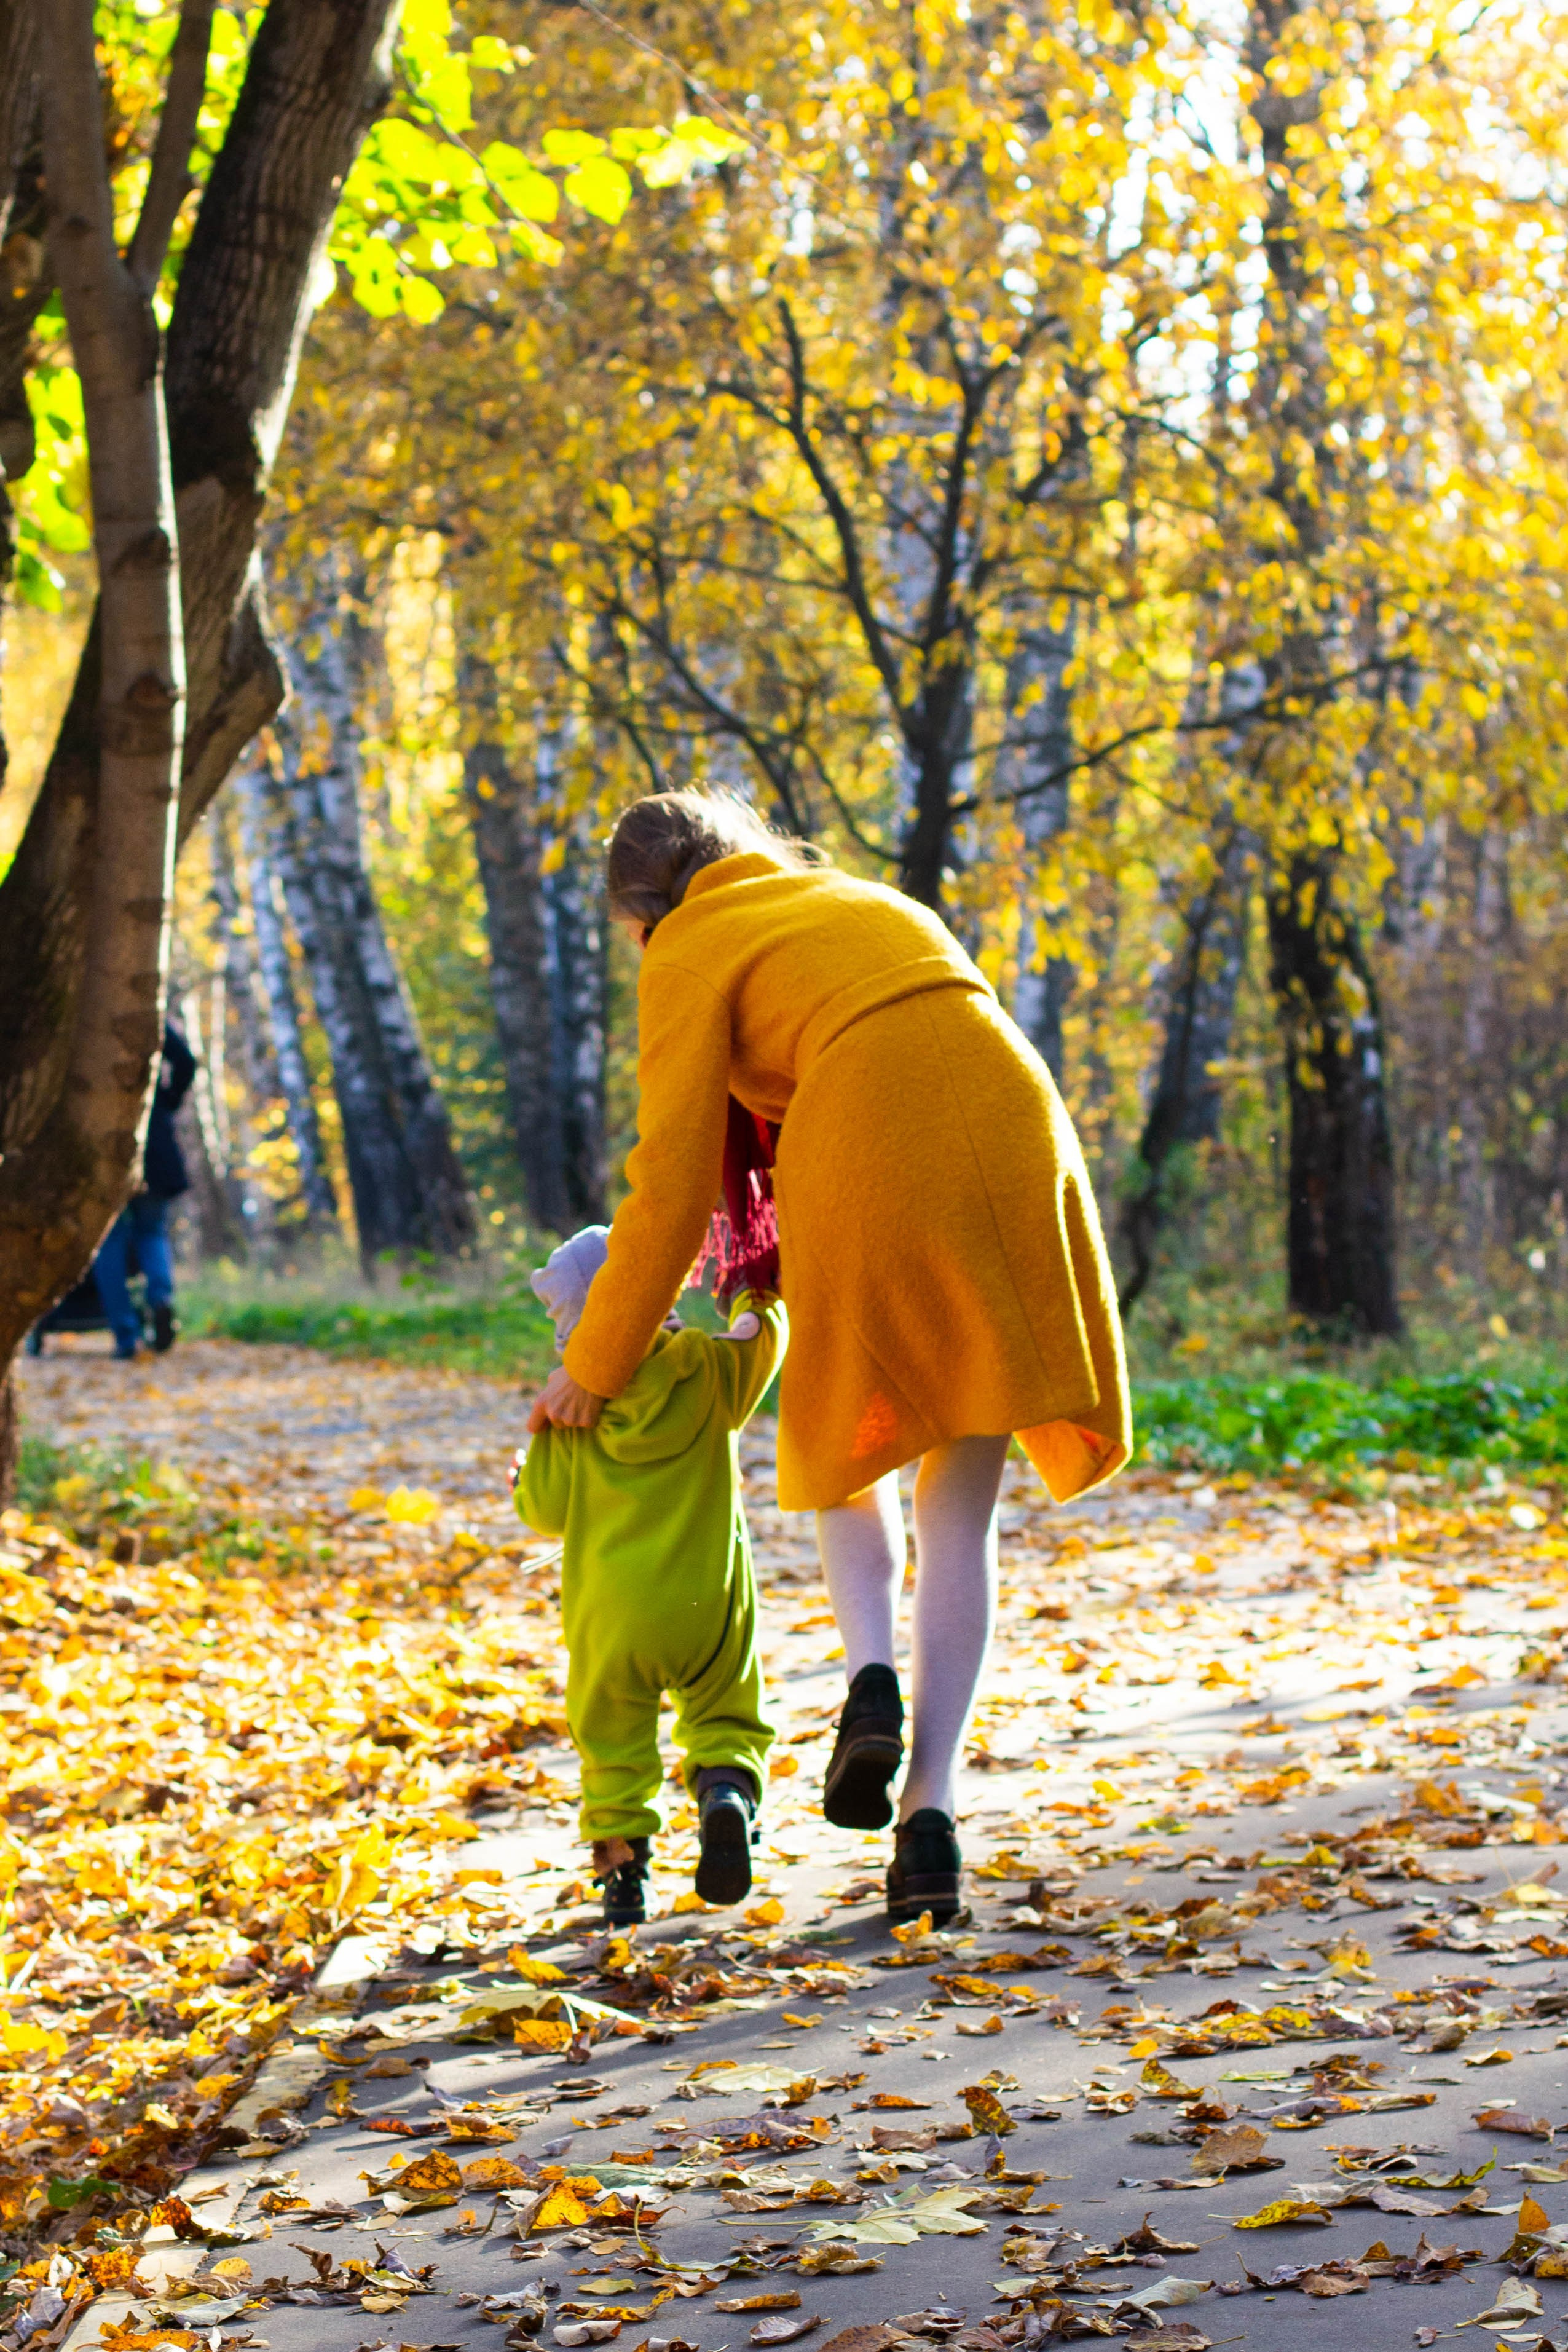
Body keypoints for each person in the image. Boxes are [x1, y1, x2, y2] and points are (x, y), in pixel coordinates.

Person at [529, 791, 1131, 1925]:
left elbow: (668, 1189)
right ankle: (930, 1817)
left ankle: (870, 1680)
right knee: (961, 1498)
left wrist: (595, 1363)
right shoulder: (856, 900)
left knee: (851, 1454)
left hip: (866, 1140)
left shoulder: (687, 949)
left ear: (642, 916)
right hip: (1015, 1129)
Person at [513, 1223, 787, 1926]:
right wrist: (750, 1288)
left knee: (611, 1738)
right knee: (724, 1708)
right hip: (706, 1602)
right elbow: (768, 1334)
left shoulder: (570, 1409)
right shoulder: (708, 1369)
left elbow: (543, 1510)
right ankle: (726, 1792)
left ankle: (624, 1871)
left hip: (611, 1618)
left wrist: (527, 1465)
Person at [96, 1022, 197, 1360]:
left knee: (108, 1240)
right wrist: (167, 1099)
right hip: (154, 1138)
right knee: (152, 1232)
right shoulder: (145, 1012)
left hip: (104, 1142)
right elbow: (185, 1061)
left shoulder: (87, 1016)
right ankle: (161, 1298)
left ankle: (126, 1337)